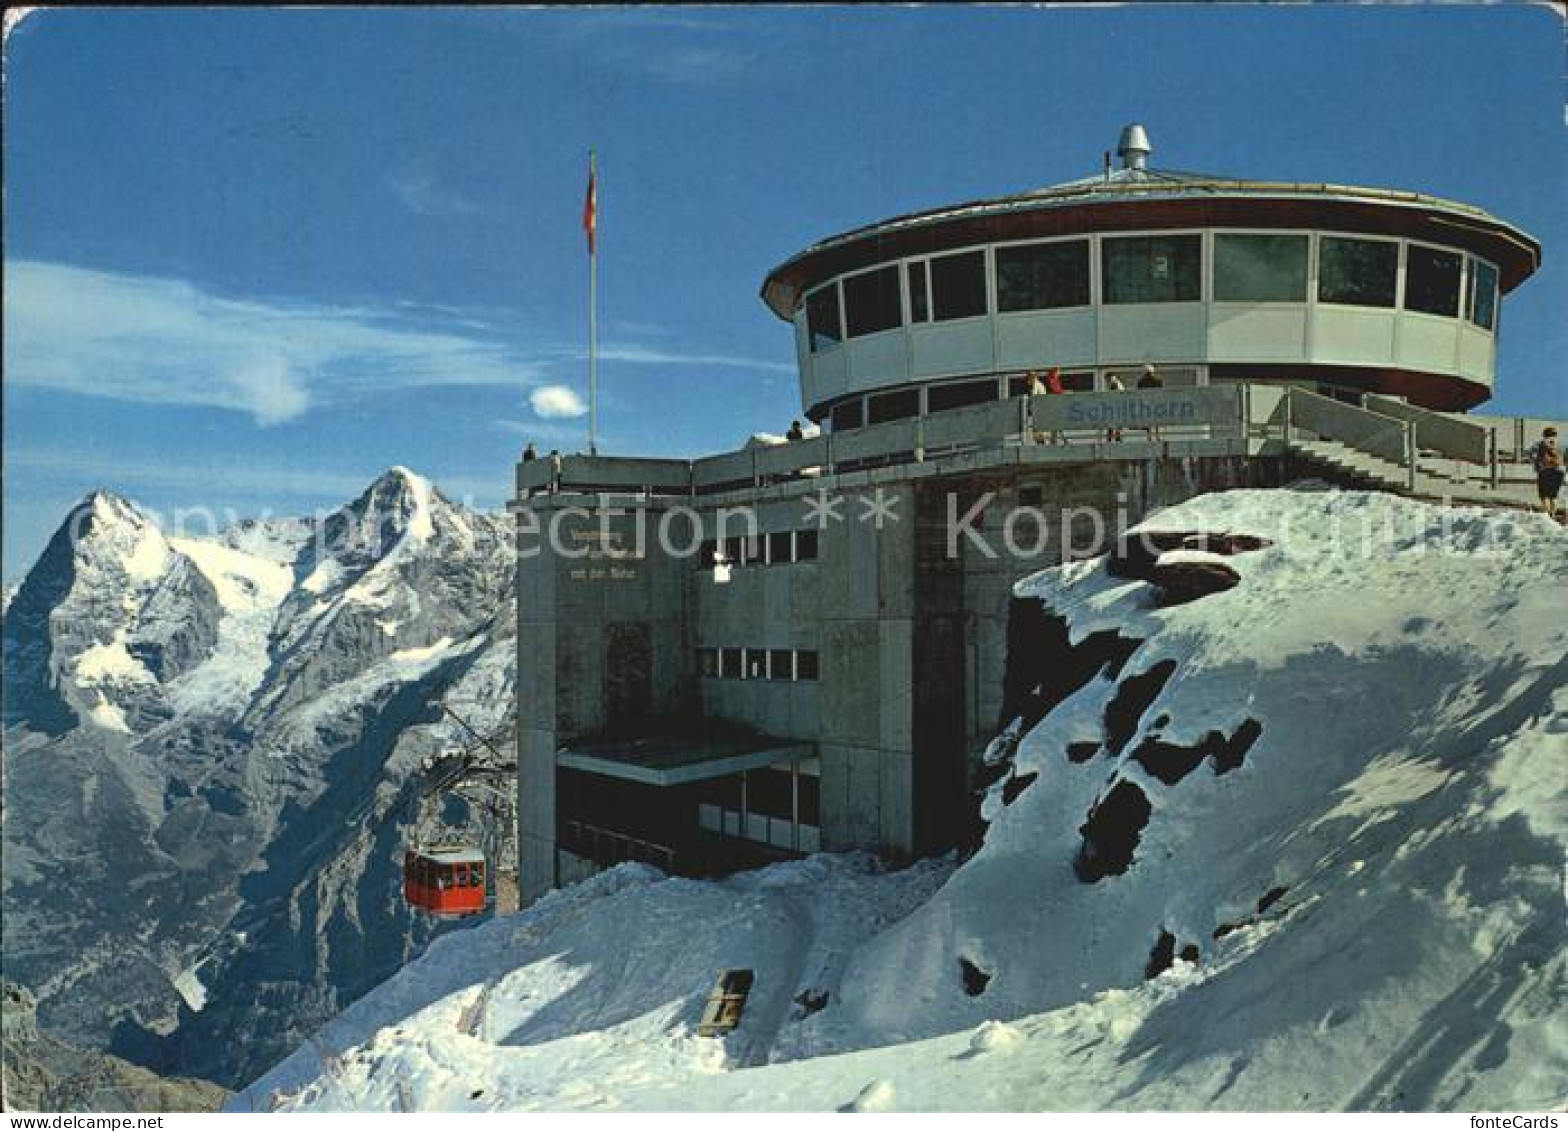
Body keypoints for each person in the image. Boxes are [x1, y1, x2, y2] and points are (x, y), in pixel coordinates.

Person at [1532, 427, 1564, 518]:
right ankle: (1552, 515)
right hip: (1558, 471)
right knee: (1553, 496)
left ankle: (1546, 515)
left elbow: (1536, 457)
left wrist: (1537, 467)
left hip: (1545, 470)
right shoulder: (1560, 445)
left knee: (1543, 495)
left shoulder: (1542, 444)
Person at [1137, 363, 1164, 440]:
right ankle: (1157, 436)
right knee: (1156, 420)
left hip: (1146, 403)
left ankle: (1149, 436)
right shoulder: (1158, 381)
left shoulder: (1141, 381)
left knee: (1149, 420)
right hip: (1155, 402)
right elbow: (1161, 392)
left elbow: (1139, 393)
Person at [1103, 372, 1125, 441]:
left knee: (1113, 427)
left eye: (1107, 380)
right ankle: (1116, 439)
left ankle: (1113, 440)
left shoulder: (1115, 384)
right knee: (1116, 427)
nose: (1106, 382)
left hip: (1116, 409)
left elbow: (1112, 396)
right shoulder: (1117, 383)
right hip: (1117, 409)